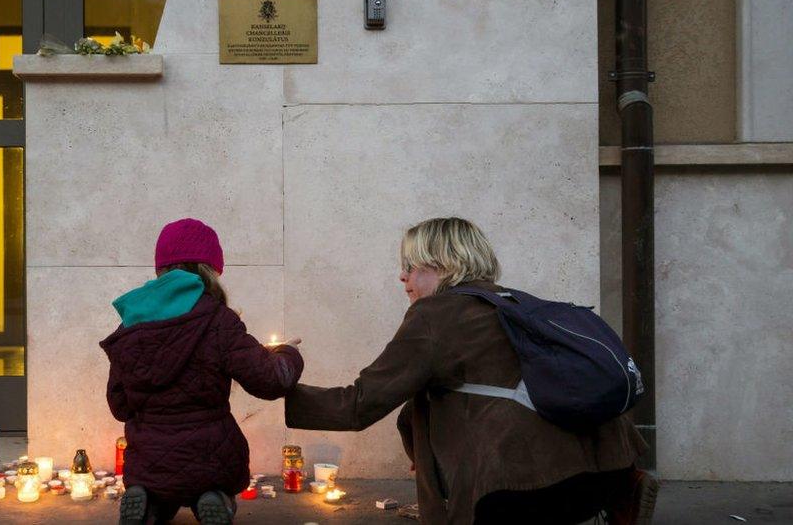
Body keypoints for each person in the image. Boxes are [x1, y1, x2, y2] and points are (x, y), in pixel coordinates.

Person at [284, 217, 657, 524]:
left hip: (520, 485)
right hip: (608, 467)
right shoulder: (513, 303)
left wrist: (277, 385)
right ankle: (625, 489)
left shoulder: (435, 315)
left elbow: (360, 403)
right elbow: (427, 406)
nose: (403, 277)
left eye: (410, 266)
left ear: (444, 264)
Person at [101, 218, 304, 525]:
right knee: (210, 485)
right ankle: (215, 498)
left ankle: (148, 504)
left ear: (159, 270)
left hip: (149, 462)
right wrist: (288, 352)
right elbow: (271, 381)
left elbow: (119, 406)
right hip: (211, 459)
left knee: (159, 488)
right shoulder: (219, 320)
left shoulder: (130, 325)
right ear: (211, 271)